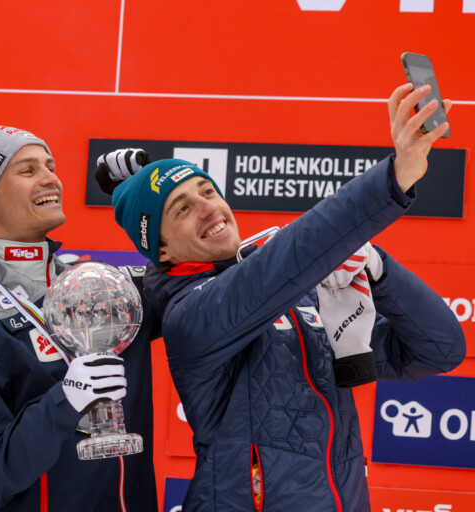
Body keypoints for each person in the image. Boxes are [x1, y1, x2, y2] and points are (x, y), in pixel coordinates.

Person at [99, 83, 466, 511]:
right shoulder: (190, 314)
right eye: (181, 208)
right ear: (161, 249)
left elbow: (439, 350)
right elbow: (288, 258)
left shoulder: (300, 296)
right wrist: (396, 175)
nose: (208, 207)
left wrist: (379, 268)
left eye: (207, 191)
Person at [0, 126, 160, 511]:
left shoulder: (106, 287)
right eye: (28, 170)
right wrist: (65, 401)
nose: (51, 178)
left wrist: (151, 199)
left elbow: (200, 277)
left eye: (50, 166)